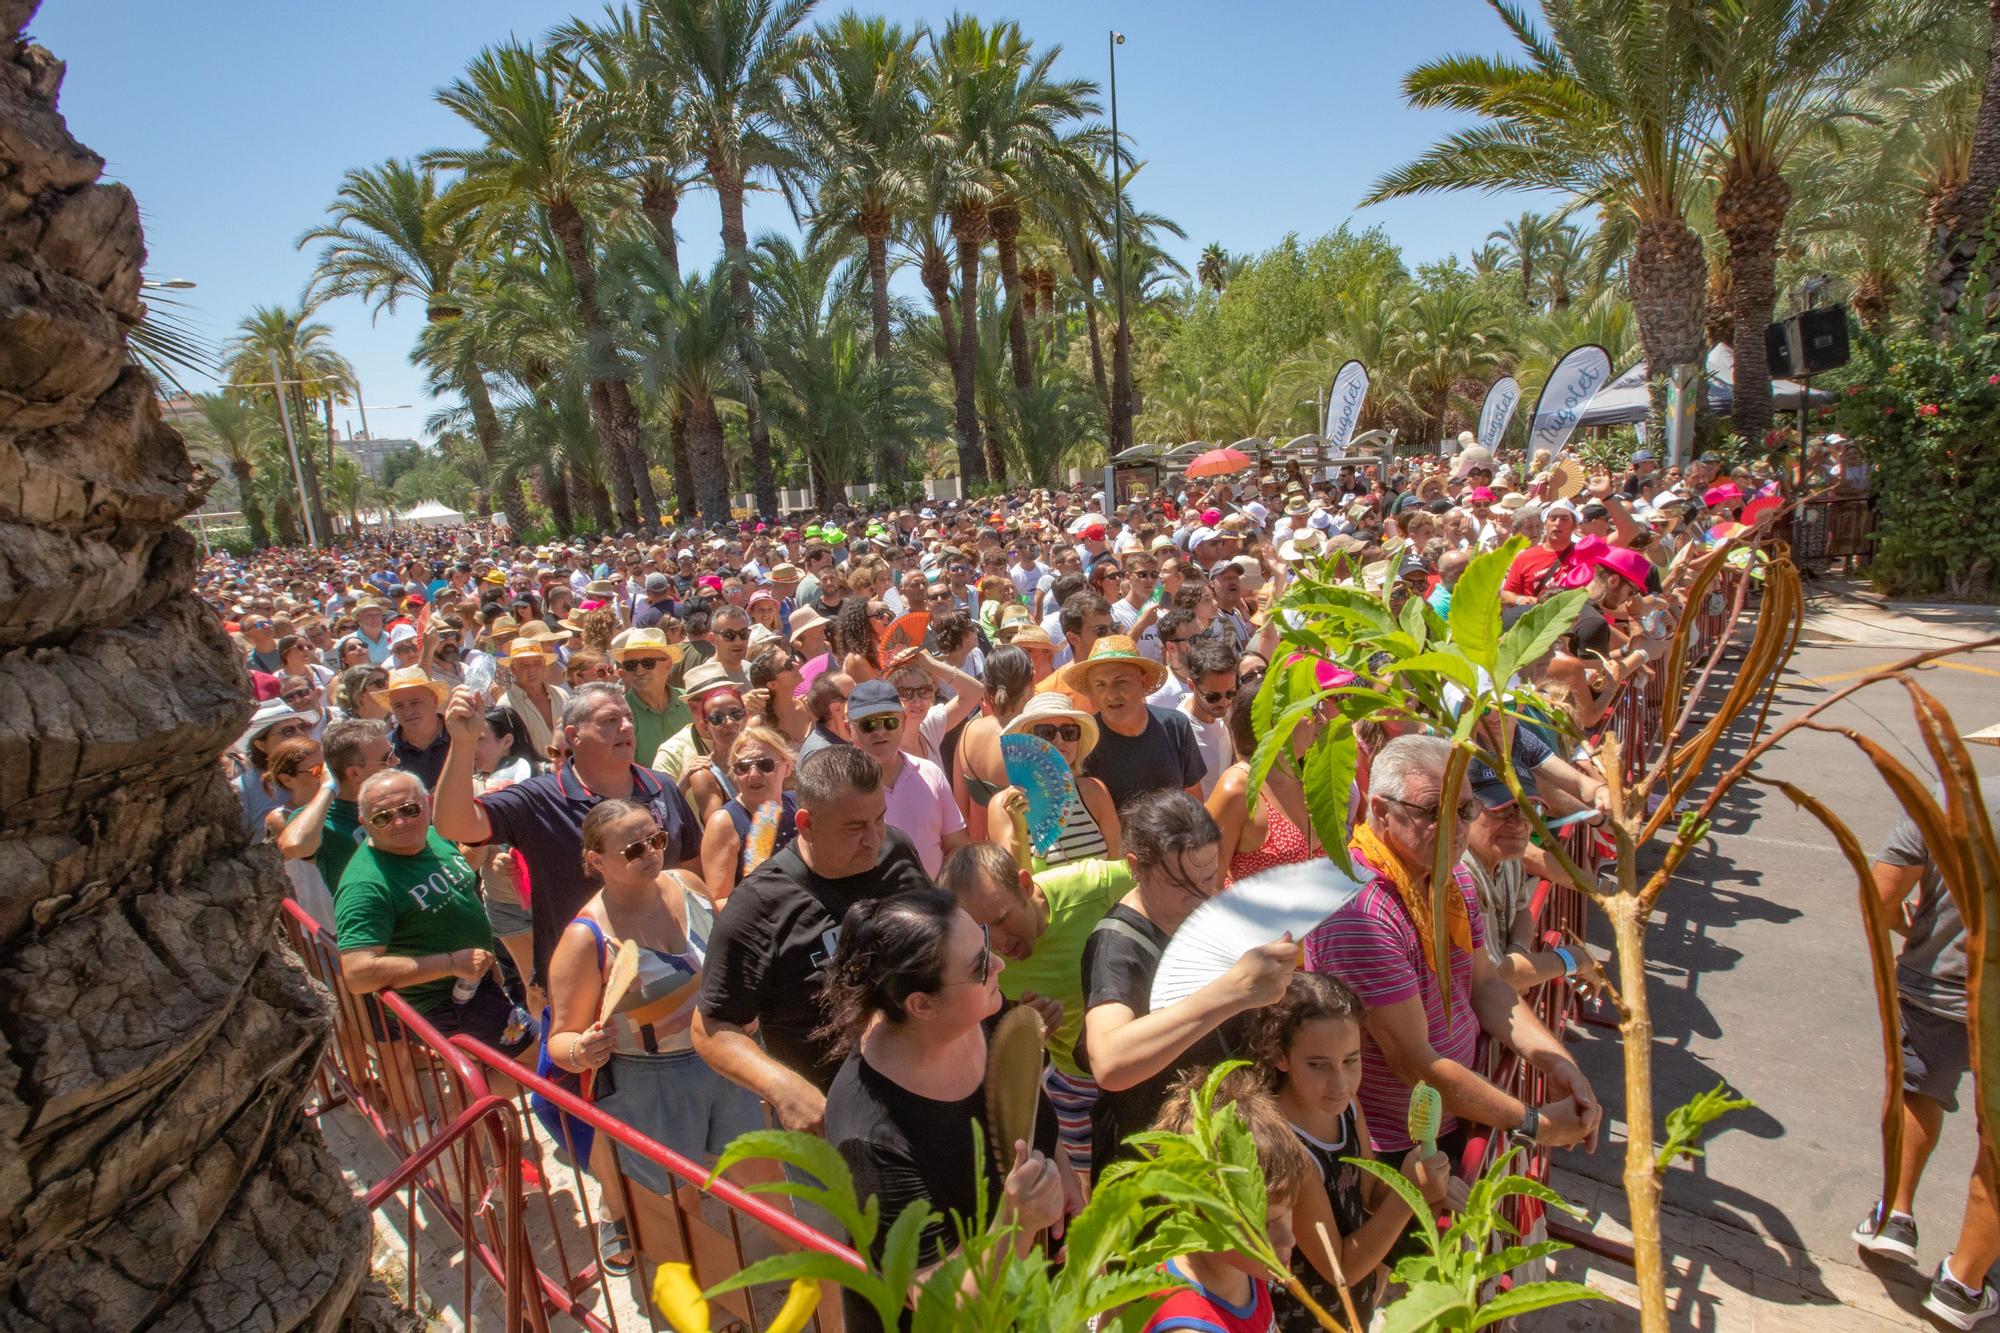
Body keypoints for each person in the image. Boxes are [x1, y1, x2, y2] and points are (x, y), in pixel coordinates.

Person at [1304, 735, 1599, 1168]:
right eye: (1433, 813)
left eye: (1464, 810)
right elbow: (1414, 1062)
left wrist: (1557, 1063)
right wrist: (1536, 1124)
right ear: (1382, 812)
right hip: (1400, 1146)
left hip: (1456, 1112)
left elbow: (1484, 986)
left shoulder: (1448, 875)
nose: (1456, 829)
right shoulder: (1358, 911)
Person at [820, 888, 1068, 1333]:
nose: (999, 966)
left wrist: (1063, 1173)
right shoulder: (870, 1136)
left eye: (987, 946)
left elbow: (1029, 1101)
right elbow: (940, 1305)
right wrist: (1016, 1223)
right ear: (921, 1004)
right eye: (979, 966)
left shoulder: (981, 1011)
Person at [545, 799, 763, 1272]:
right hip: (651, 1082)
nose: (651, 853)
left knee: (765, 1173)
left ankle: (816, 1279)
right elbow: (560, 1039)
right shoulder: (585, 939)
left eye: (657, 840)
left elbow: (726, 964)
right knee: (677, 1202)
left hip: (724, 1056)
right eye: (634, 849)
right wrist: (582, 1049)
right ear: (596, 861)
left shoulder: (690, 886)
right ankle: (709, 1303)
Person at [691, 745, 934, 1131]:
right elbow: (710, 1026)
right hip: (832, 1128)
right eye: (854, 828)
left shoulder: (896, 850)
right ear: (805, 824)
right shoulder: (758, 906)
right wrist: (782, 1087)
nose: (873, 839)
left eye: (879, 819)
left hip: (925, 1098)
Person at [1076, 790, 1296, 1182]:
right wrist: (1233, 992)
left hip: (1213, 1154)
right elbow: (1110, 1062)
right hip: (1149, 1169)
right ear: (1136, 867)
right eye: (1180, 883)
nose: (1199, 897)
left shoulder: (1201, 914)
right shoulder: (1115, 945)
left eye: (1208, 878)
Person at [433, 682, 705, 989]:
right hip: (584, 990)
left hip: (675, 972)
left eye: (628, 718)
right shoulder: (538, 800)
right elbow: (455, 826)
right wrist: (462, 744)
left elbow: (690, 875)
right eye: (609, 720)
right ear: (574, 735)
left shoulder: (662, 786)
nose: (626, 726)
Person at [1851, 796, 2000, 1328]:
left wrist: (1907, 929)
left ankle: (1895, 1213)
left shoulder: (1949, 802)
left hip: (1936, 982)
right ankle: (1964, 1282)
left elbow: (1882, 893)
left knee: (1918, 1092)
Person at [1250, 973, 1452, 1330]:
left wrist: (1418, 1179)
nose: (1340, 1082)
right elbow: (1339, 1268)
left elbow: (1369, 1193)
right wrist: (1410, 1193)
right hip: (1310, 1319)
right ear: (1281, 1056)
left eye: (1351, 1060)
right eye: (1318, 1064)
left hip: (1354, 1305)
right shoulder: (1288, 1149)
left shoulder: (1346, 1107)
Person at [939, 842, 1128, 1176]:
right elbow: (987, 1047)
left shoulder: (1098, 887)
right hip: (1073, 1082)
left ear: (1025, 885)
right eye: (982, 931)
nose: (996, 944)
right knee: (1091, 1182)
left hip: (1139, 1063)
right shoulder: (969, 956)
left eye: (1001, 919)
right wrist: (1026, 1033)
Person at [333, 770, 532, 1053]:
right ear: (365, 823)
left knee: (497, 1079)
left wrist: (483, 846)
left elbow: (455, 875)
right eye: (382, 817)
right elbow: (358, 974)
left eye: (409, 809)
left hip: (476, 983)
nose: (399, 822)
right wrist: (452, 963)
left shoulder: (433, 836)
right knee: (538, 1058)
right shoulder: (364, 886)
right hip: (444, 1002)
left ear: (427, 803)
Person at [1139, 1065, 1311, 1333]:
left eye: (1287, 1210)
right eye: (1263, 1225)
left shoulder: (1245, 1265)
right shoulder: (1190, 1326)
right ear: (1199, 1218)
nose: (1289, 1239)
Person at [1459, 763, 1606, 996]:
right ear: (1464, 811)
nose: (1518, 823)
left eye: (1529, 809)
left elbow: (1521, 910)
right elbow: (1493, 978)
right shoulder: (1461, 874)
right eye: (1500, 809)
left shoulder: (1507, 854)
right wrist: (1570, 959)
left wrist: (1517, 955)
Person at [1209, 680, 1329, 889]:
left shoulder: (1311, 778)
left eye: (1320, 708)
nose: (1323, 720)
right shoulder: (1238, 788)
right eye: (1311, 710)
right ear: (1274, 720)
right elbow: (1208, 883)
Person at [1067, 635, 1206, 811]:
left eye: (1120, 682)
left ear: (1143, 682)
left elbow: (1193, 794)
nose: (1111, 694)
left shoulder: (1176, 726)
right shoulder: (1084, 743)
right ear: (1091, 692)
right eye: (1100, 685)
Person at [847, 679, 966, 876]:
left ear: (902, 721)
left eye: (889, 722)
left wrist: (936, 892)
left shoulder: (931, 773)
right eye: (868, 724)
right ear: (847, 728)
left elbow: (957, 845)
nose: (880, 731)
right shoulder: (840, 787)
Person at [988, 691, 1119, 868]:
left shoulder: (1094, 791)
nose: (1059, 740)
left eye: (1069, 732)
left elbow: (1118, 862)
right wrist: (1019, 829)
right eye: (1046, 733)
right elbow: (1014, 883)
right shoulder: (1004, 805)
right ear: (1026, 741)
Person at [699, 724, 799, 900]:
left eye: (764, 764)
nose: (753, 774)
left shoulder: (799, 803)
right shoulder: (724, 823)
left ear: (788, 767)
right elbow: (719, 902)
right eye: (743, 767)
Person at [261, 737, 332, 927]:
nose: (327, 776)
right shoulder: (280, 819)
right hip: (321, 924)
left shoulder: (342, 805)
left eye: (328, 767)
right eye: (317, 770)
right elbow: (318, 853)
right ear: (287, 780)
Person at [234, 696, 320, 839]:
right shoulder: (242, 790)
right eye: (287, 731)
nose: (301, 734)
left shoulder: (328, 770)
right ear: (260, 745)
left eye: (302, 727)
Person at [612, 627, 690, 772]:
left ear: (667, 665)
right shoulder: (619, 714)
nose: (639, 671)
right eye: (631, 665)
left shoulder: (689, 702)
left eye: (648, 663)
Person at [1177, 637, 1240, 798]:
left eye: (1231, 693)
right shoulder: (1182, 731)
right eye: (1213, 697)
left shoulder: (1225, 712)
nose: (1224, 701)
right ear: (1192, 686)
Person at [373, 666, 452, 790]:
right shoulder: (385, 750)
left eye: (415, 703)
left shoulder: (462, 737)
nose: (407, 712)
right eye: (399, 706)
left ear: (434, 700)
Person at [502, 637, 570, 760]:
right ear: (513, 669)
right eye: (524, 665)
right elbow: (509, 753)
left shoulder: (561, 694)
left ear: (544, 666)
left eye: (537, 664)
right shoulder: (506, 705)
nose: (532, 670)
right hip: (534, 775)